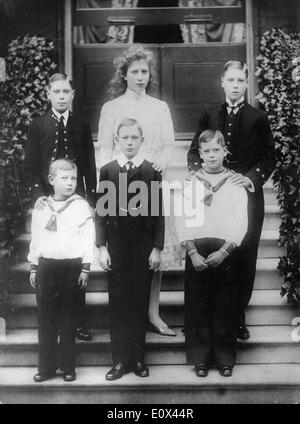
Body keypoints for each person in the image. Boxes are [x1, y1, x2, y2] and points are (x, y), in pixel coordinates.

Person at [187, 61, 275, 340]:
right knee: (215, 250)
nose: (235, 85)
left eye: (240, 81)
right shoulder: (209, 114)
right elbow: (193, 152)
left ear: (247, 84)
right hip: (213, 196)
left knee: (245, 254)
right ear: (222, 82)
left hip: (247, 195)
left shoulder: (257, 117)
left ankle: (237, 315)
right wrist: (197, 176)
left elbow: (269, 157)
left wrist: (250, 178)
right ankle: (210, 318)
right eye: (231, 80)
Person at [97, 45, 181, 337]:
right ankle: (125, 317)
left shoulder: (159, 107)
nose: (140, 76)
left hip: (151, 184)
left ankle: (152, 313)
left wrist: (161, 162)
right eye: (134, 71)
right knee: (124, 254)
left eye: (145, 71)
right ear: (124, 74)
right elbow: (104, 149)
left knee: (151, 252)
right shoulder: (112, 108)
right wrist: (107, 185)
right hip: (120, 187)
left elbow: (170, 144)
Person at [24, 73, 97, 342]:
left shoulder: (81, 124)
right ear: (49, 95)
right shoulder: (38, 125)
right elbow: (30, 166)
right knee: (52, 267)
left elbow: (88, 165)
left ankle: (77, 322)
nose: (62, 96)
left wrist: (91, 199)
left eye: (66, 91)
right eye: (57, 92)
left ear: (73, 94)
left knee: (74, 263)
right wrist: (37, 197)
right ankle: (51, 322)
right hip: (48, 203)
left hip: (75, 204)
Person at [96, 118, 165, 380]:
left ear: (141, 140)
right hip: (117, 247)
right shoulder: (108, 171)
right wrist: (102, 247)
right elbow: (101, 214)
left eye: (134, 138)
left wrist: (156, 248)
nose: (129, 142)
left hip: (143, 247)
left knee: (138, 302)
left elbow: (158, 213)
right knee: (119, 303)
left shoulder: (151, 172)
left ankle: (137, 359)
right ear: (117, 140)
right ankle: (119, 361)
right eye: (125, 138)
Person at [176, 129, 248, 377]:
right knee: (199, 304)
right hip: (197, 248)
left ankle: (225, 357)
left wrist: (224, 252)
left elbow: (241, 222)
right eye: (206, 151)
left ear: (225, 151)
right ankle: (201, 357)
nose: (212, 155)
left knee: (224, 303)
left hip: (224, 250)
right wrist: (192, 252)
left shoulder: (235, 183)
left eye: (216, 149)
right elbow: (182, 220)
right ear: (200, 154)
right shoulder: (191, 183)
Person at [28, 159, 94, 383]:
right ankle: (46, 367)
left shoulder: (80, 206)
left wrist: (85, 268)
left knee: (68, 319)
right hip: (47, 267)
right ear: (51, 180)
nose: (69, 183)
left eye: (73, 178)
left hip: (71, 268)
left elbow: (88, 239)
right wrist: (34, 266)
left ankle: (68, 367)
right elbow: (36, 238)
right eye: (64, 178)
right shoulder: (41, 206)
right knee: (45, 319)